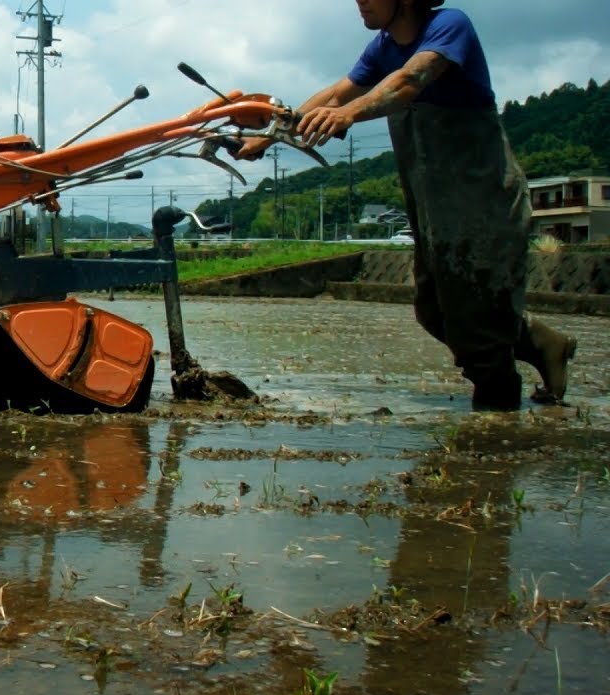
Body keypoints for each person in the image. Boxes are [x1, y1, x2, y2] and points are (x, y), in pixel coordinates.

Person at [239, 0, 578, 411]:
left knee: (478, 327)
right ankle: (542, 343)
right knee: (434, 310)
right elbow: (336, 93)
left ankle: (496, 431)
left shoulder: (450, 25)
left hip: (482, 198)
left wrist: (347, 114)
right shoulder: (383, 46)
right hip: (434, 206)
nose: (359, 1)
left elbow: (406, 82)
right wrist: (272, 134)